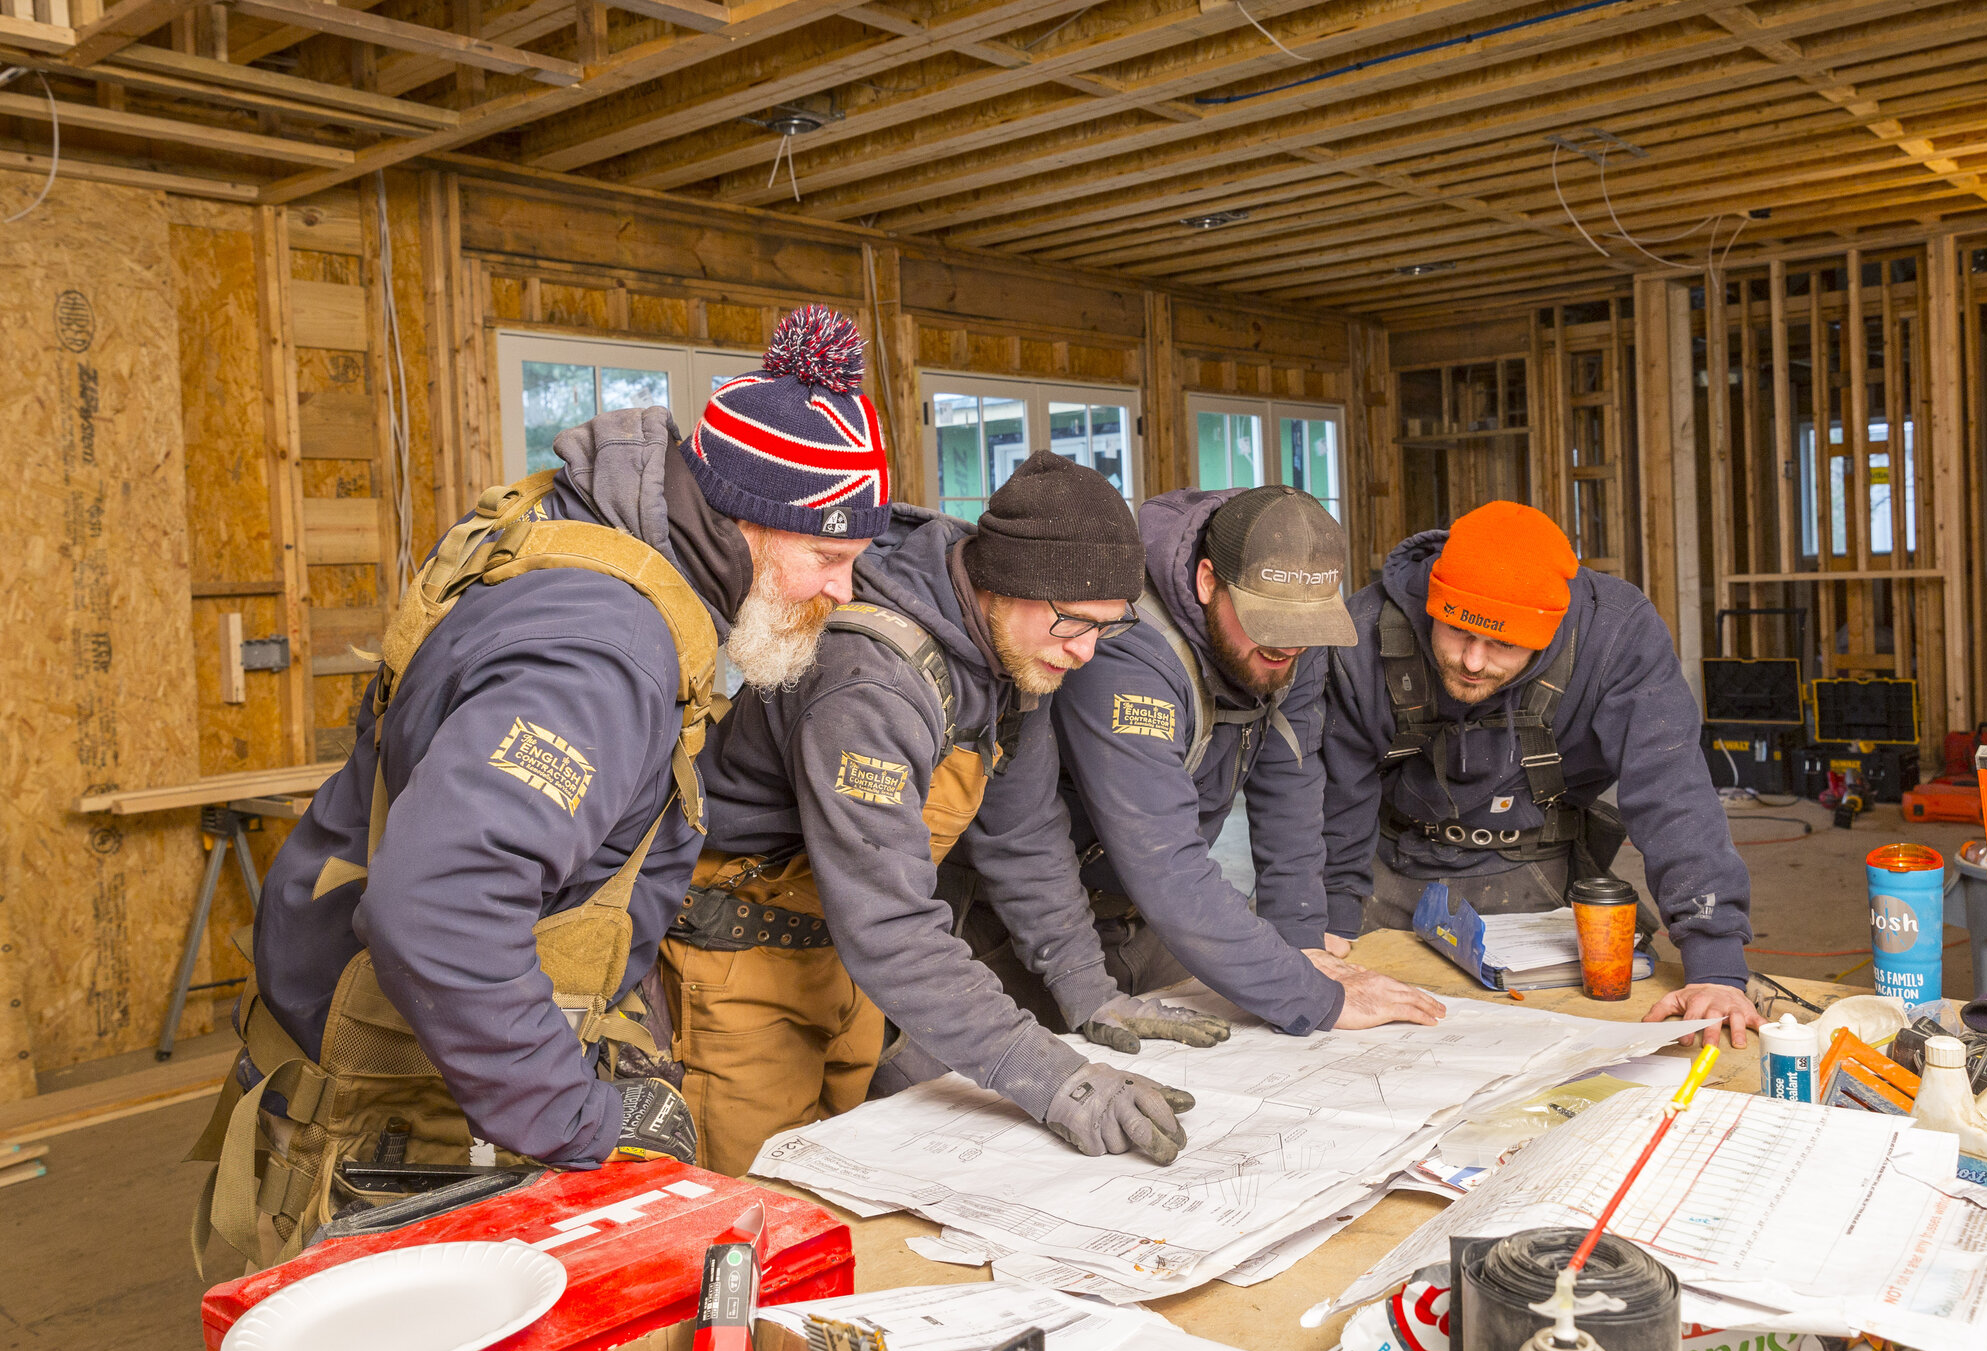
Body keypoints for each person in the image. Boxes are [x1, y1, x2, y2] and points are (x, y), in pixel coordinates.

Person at [192, 307, 889, 1268]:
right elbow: (439, 908)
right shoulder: (601, 656)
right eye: (830, 557)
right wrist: (578, 1118)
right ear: (747, 524)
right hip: (390, 1105)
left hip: (416, 1057)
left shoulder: (591, 547)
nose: (843, 591)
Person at [687, 452, 1226, 1175]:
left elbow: (1025, 834)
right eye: (1072, 622)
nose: (1086, 650)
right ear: (1003, 582)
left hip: (842, 956)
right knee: (766, 1200)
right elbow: (891, 925)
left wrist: (1090, 990)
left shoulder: (1017, 655)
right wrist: (1057, 1080)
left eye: (1108, 626)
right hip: (742, 960)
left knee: (852, 1181)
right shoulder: (869, 682)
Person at [1321, 500, 1758, 1048]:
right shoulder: (1362, 632)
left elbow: (1673, 795)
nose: (1474, 662)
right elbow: (1331, 789)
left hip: (1537, 873)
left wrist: (1715, 963)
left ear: (1547, 631)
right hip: (1381, 864)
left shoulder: (1617, 636)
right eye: (1457, 631)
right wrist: (1327, 916)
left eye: (1502, 643)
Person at [1042, 485, 1445, 1035]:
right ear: (1208, 582)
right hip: (1050, 919)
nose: (1287, 648)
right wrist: (1311, 997)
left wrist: (1302, 941)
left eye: (1304, 630)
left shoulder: (1297, 637)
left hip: (1151, 917)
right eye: (1269, 625)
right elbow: (1164, 859)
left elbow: (1292, 782)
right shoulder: (1125, 650)